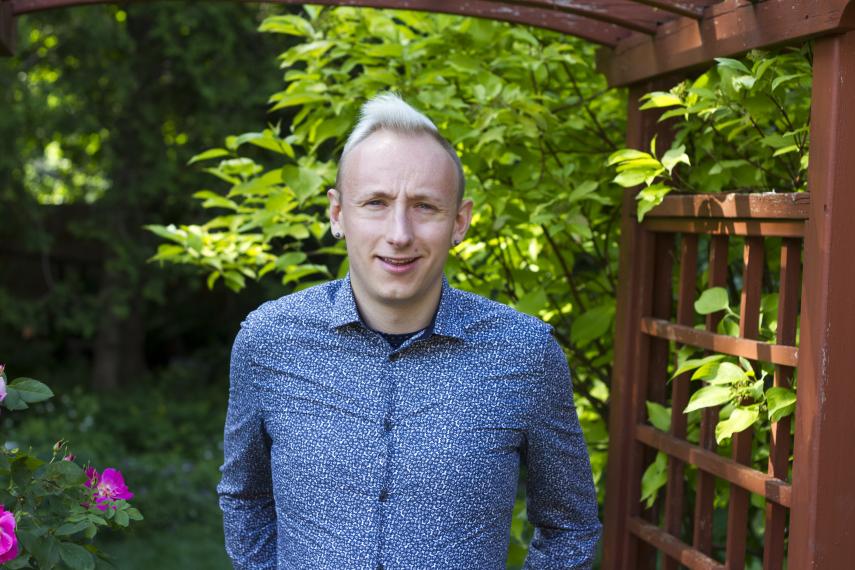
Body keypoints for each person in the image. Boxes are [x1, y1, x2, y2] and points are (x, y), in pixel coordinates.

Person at [217, 93, 601, 569]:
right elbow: (244, 497)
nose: (400, 233)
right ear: (338, 214)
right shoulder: (269, 340)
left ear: (460, 222)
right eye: (376, 202)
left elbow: (569, 525)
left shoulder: (524, 353)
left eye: (424, 206)